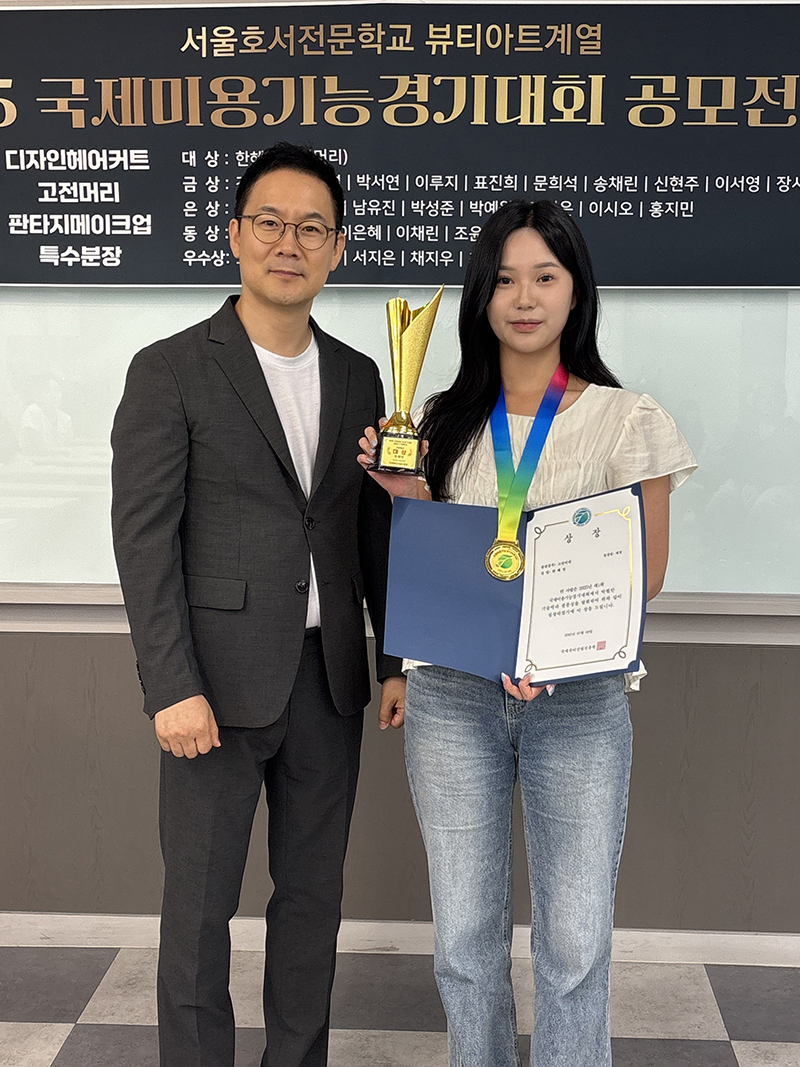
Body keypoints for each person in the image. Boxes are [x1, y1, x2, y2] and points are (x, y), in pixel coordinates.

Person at [359, 200, 696, 1067]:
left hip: (578, 702)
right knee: (464, 942)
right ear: (482, 297)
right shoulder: (440, 419)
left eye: (545, 276)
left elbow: (644, 574)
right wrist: (407, 497)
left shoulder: (627, 419)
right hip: (453, 697)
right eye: (505, 279)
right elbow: (445, 561)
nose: (524, 297)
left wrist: (557, 649)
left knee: (576, 945)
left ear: (576, 291)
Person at [111, 141, 405, 1067]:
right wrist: (170, 686)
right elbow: (145, 541)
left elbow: (370, 529)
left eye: (312, 228)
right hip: (213, 689)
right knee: (199, 911)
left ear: (338, 249)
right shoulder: (170, 368)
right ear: (235, 235)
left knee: (312, 904)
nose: (290, 243)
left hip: (329, 684)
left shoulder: (359, 375)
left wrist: (394, 658)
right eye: (271, 223)